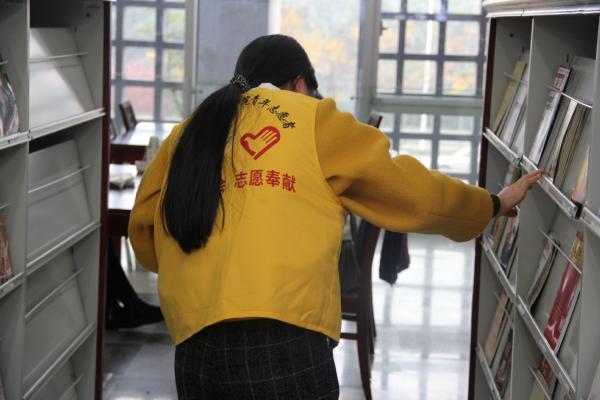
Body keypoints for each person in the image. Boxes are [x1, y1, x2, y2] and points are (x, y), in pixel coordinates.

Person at [128, 34, 541, 399]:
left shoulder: (188, 132)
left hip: (194, 346)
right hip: (286, 341)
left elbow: (145, 235)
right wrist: (490, 204)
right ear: (300, 84)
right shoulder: (312, 119)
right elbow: (412, 192)